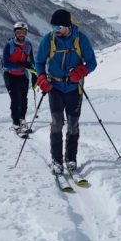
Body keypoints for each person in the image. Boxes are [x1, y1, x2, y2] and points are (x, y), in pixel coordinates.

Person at [34, 9, 97, 175]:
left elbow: (91, 62)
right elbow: (39, 62)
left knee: (73, 124)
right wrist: (41, 78)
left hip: (74, 89)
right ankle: (56, 160)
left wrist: (80, 72)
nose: (56, 30)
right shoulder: (48, 40)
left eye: (59, 27)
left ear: (68, 26)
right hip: (54, 87)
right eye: (54, 27)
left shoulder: (80, 39)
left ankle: (71, 158)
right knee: (57, 123)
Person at [2, 22, 36, 134]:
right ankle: (15, 123)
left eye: (23, 32)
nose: (21, 34)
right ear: (15, 33)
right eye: (19, 32)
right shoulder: (9, 45)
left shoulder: (28, 45)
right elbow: (5, 63)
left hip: (23, 76)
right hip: (10, 75)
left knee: (23, 99)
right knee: (15, 99)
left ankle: (22, 120)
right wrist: (21, 65)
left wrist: (35, 73)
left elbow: (32, 61)